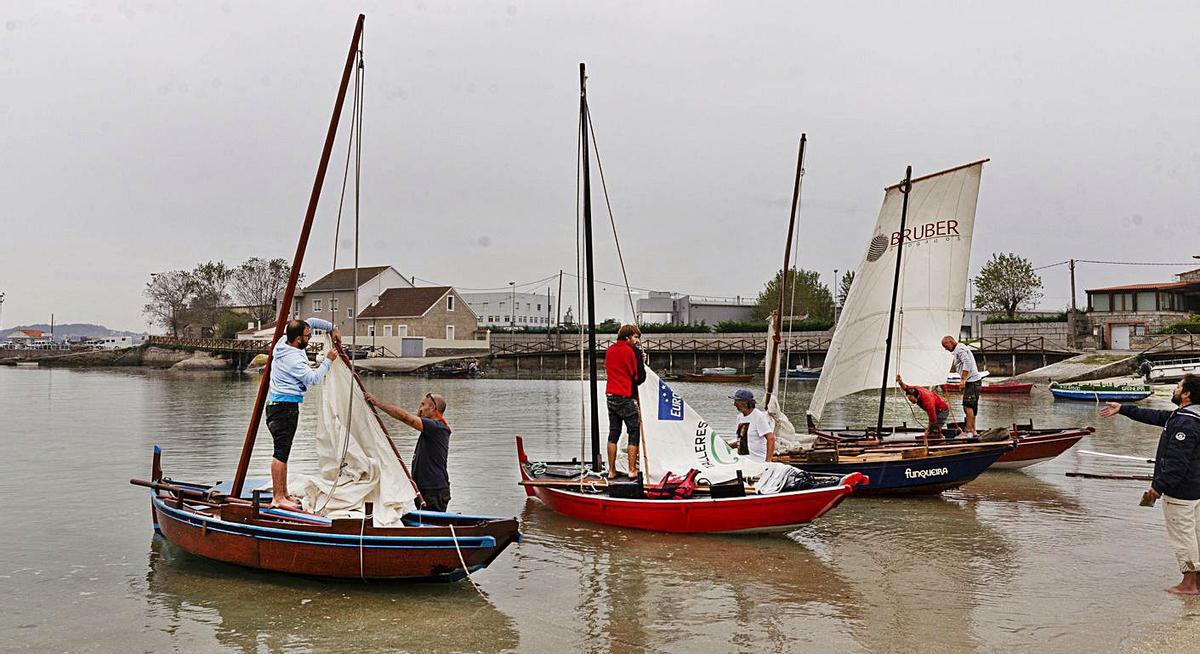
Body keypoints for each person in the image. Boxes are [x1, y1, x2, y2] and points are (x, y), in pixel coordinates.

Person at [1099, 374, 1200, 595]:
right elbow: (1157, 416)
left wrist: (1157, 488)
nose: (1175, 388)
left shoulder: (1185, 422)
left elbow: (1176, 464)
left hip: (1181, 492)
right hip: (1195, 489)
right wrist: (1123, 409)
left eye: (1178, 385)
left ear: (1186, 393)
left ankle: (1189, 584)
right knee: (1194, 534)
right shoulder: (1188, 416)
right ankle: (1196, 582)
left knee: (1183, 536)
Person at [266, 317, 339, 510]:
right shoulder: (293, 359)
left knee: (284, 451)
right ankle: (277, 497)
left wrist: (332, 328)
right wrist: (328, 361)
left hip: (281, 405)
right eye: (307, 336)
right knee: (280, 452)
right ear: (298, 339)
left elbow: (312, 321)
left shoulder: (283, 341)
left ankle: (283, 493)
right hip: (283, 408)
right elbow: (313, 379)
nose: (310, 338)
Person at [364, 391, 453, 512]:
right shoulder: (431, 429)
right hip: (424, 490)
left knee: (431, 526)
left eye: (422, 404)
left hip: (434, 491)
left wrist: (378, 404)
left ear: (432, 407)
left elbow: (406, 418)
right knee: (425, 525)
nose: (420, 408)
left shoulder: (437, 428)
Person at [604, 323, 647, 479]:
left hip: (610, 395)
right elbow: (639, 378)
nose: (637, 341)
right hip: (626, 396)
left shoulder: (610, 350)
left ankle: (611, 470)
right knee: (633, 431)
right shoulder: (632, 350)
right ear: (628, 337)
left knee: (613, 432)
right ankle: (631, 470)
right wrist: (641, 361)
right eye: (636, 337)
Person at [942, 335, 982, 437]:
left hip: (971, 381)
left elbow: (967, 362)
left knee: (968, 405)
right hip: (973, 381)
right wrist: (963, 381)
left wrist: (963, 379)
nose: (945, 348)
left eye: (945, 345)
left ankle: (969, 430)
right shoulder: (959, 349)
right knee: (971, 406)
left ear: (950, 342)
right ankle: (973, 431)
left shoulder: (959, 349)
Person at [727, 389, 775, 463]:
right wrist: (725, 444)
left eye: (736, 401)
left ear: (745, 403)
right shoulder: (739, 417)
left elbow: (771, 438)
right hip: (743, 462)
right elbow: (742, 441)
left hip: (757, 462)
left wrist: (767, 462)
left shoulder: (758, 416)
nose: (734, 404)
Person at [896, 374, 950, 438]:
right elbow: (905, 387)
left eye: (913, 401)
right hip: (935, 407)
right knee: (931, 430)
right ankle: (935, 436)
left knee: (934, 430)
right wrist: (900, 382)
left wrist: (928, 429)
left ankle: (939, 440)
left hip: (942, 410)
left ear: (918, 397)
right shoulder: (914, 389)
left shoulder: (927, 402)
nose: (911, 402)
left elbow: (933, 419)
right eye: (909, 400)